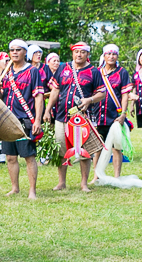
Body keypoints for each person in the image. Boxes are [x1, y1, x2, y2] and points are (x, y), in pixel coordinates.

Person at [45, 42, 106, 192]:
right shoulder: (62, 68)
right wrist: (47, 110)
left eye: (82, 52)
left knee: (84, 151)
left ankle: (84, 183)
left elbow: (102, 93)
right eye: (76, 52)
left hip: (82, 118)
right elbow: (55, 90)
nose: (79, 55)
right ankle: (61, 182)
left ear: (87, 55)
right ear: (72, 53)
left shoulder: (94, 71)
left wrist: (89, 100)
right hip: (61, 116)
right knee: (60, 149)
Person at [0, 39, 44, 199]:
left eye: (18, 50)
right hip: (8, 120)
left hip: (24, 119)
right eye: (12, 50)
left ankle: (32, 191)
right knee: (9, 157)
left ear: (24, 52)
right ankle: (15, 188)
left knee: (29, 156)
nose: (14, 52)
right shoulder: (6, 72)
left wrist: (37, 120)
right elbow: (1, 97)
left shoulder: (32, 71)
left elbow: (39, 96)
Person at [93, 43, 133, 179]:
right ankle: (96, 176)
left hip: (114, 114)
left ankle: (117, 176)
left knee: (117, 146)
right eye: (108, 54)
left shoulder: (122, 72)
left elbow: (125, 94)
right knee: (97, 146)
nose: (111, 56)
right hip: (98, 114)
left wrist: (123, 114)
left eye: (114, 54)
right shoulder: (96, 72)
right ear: (103, 56)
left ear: (117, 56)